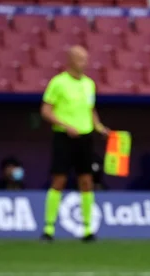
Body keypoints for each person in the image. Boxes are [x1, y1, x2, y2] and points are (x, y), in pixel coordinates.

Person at [39, 45, 110, 242]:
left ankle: (88, 229)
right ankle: (48, 228)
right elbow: (46, 110)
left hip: (86, 137)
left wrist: (99, 127)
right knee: (59, 180)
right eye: (80, 59)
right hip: (64, 136)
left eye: (86, 59)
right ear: (70, 60)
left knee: (86, 181)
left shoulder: (89, 84)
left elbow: (90, 109)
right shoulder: (58, 83)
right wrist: (65, 125)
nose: (84, 63)